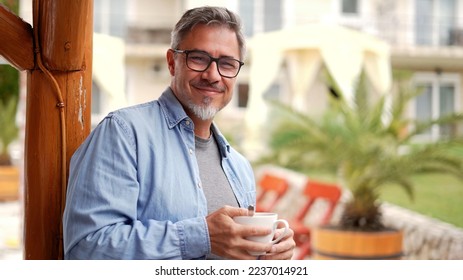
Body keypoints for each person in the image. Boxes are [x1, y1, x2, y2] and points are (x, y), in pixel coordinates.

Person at [63, 6, 295, 260]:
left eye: (227, 64)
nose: (213, 75)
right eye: (199, 58)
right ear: (173, 63)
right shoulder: (123, 134)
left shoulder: (240, 168)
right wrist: (201, 237)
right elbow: (87, 249)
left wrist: (269, 254)